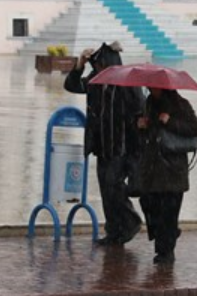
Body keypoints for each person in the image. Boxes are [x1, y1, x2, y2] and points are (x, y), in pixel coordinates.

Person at [64, 42, 144, 246]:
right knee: (106, 189)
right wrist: (79, 64)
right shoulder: (94, 81)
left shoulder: (128, 84)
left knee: (114, 186)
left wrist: (138, 141)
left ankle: (130, 222)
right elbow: (72, 85)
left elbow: (140, 112)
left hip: (122, 146)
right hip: (101, 145)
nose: (96, 68)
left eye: (98, 64)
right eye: (94, 65)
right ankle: (114, 231)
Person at [136, 86, 197, 265]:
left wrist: (170, 121)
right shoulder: (149, 103)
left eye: (154, 87)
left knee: (169, 212)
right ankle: (170, 234)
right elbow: (149, 134)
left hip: (173, 170)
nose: (151, 89)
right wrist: (141, 126)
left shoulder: (181, 105)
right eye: (149, 87)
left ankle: (166, 253)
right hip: (152, 168)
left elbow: (195, 128)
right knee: (148, 203)